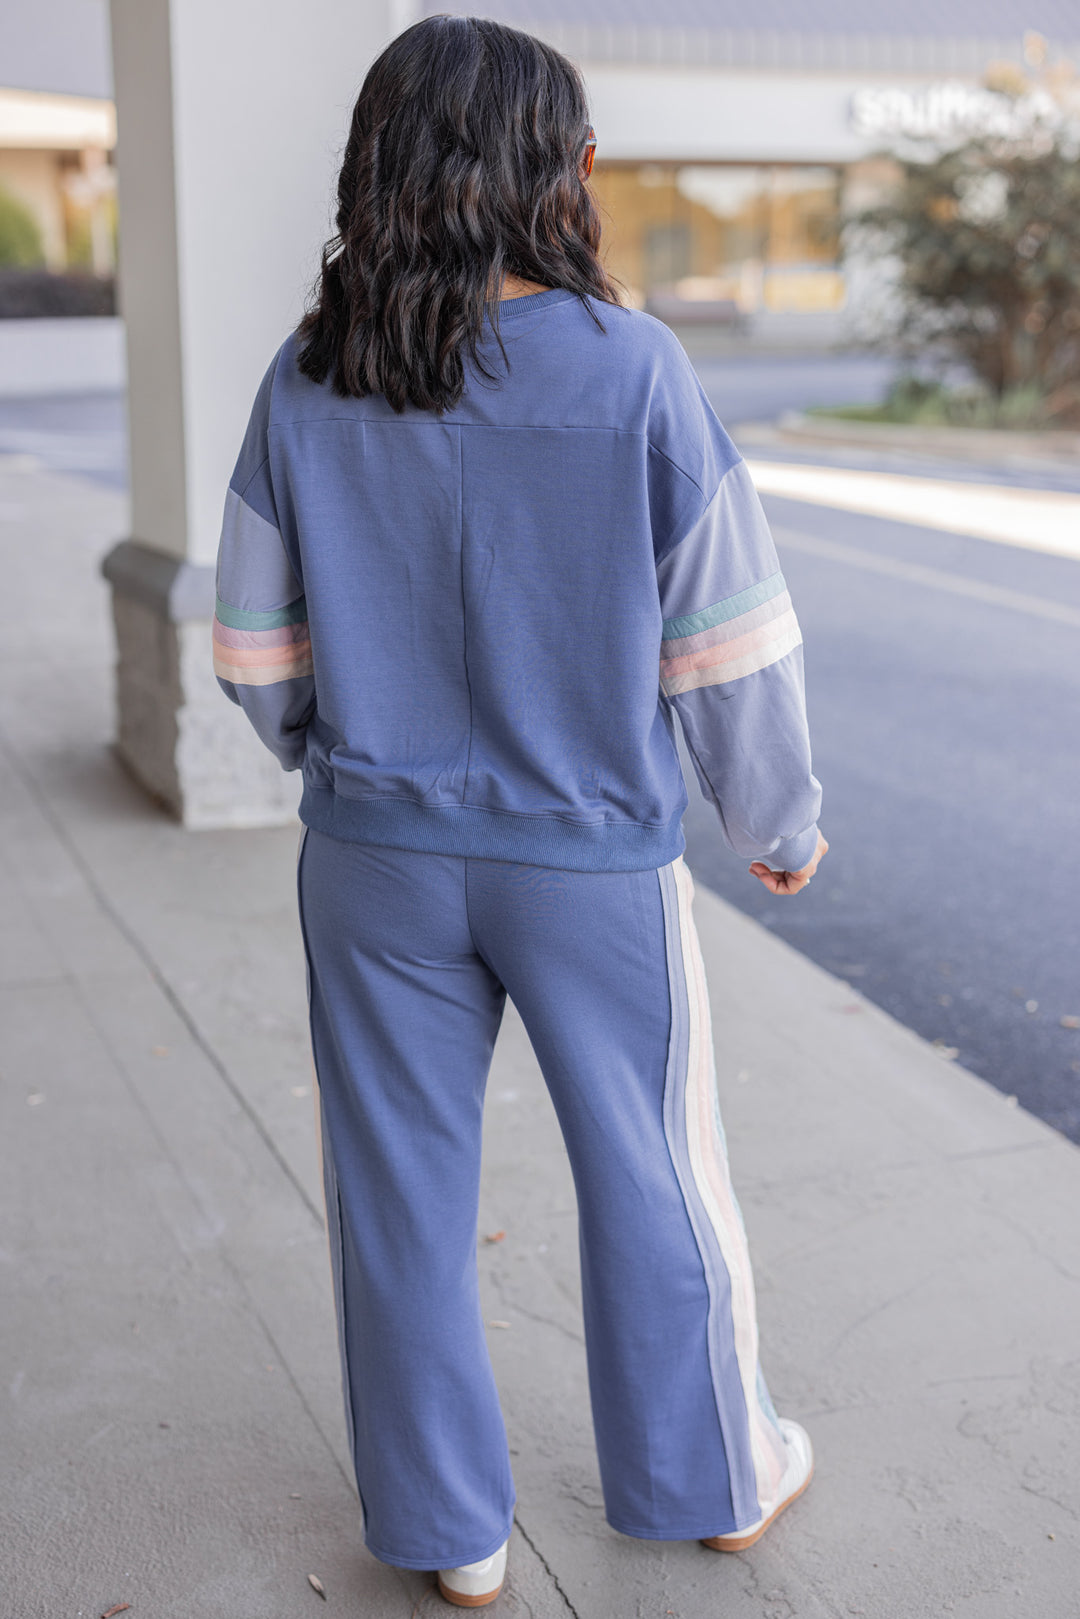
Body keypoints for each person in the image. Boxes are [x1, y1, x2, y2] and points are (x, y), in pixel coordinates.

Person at [212, 14, 826, 1608]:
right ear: (569, 169)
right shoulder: (635, 369)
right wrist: (776, 818)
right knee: (653, 1167)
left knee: (396, 1197)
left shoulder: (310, 371)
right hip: (590, 866)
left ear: (378, 169)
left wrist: (334, 757)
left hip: (375, 859)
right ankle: (714, 1480)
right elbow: (728, 633)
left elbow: (254, 648)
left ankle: (450, 1536)